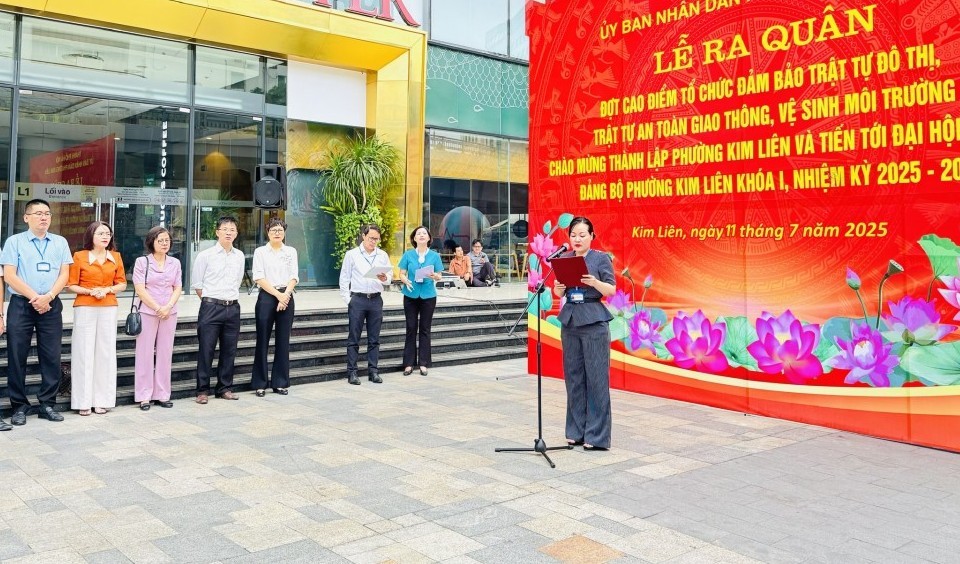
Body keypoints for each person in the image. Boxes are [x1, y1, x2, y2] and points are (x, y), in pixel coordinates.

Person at [1, 199, 72, 425]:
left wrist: (48, 297)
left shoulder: (60, 242)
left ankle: (47, 404)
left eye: (47, 213)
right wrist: (35, 298)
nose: (44, 217)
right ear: (26, 217)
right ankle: (19, 407)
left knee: (51, 356)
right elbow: (9, 276)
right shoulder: (14, 242)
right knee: (17, 355)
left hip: (51, 305)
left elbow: (64, 274)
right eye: (38, 213)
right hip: (22, 305)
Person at [552, 216, 616, 451]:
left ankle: (596, 436)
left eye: (582, 235)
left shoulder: (600, 258)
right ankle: (576, 431)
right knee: (574, 377)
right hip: (570, 320)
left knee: (597, 379)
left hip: (594, 321)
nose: (577, 239)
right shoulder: (564, 258)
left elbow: (611, 289)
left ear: (591, 236)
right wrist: (558, 289)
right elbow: (561, 292)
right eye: (573, 235)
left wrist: (594, 282)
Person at [67, 222, 127, 416]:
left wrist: (106, 290)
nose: (105, 236)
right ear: (91, 235)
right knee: (83, 352)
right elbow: (71, 284)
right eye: (100, 233)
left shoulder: (115, 257)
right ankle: (83, 401)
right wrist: (90, 291)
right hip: (85, 306)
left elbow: (122, 283)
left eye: (108, 233)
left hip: (108, 306)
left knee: (106, 352)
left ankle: (102, 400)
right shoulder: (79, 256)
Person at [191, 216, 245, 403]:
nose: (229, 232)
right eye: (225, 229)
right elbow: (197, 284)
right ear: (217, 232)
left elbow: (238, 281)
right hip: (211, 307)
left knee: (229, 350)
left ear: (236, 234)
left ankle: (224, 388)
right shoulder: (205, 255)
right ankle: (202, 391)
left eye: (232, 229)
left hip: (233, 307)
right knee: (206, 350)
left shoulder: (239, 256)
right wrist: (211, 302)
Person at [133, 226, 182, 411]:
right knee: (144, 354)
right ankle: (144, 396)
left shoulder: (175, 263)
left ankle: (162, 394)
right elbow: (140, 289)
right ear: (151, 242)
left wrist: (167, 307)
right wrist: (157, 307)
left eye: (167, 240)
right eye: (160, 240)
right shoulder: (142, 262)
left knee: (165, 353)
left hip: (169, 312)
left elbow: (178, 287)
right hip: (147, 311)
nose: (164, 243)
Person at [339, 223, 392, 385]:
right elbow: (344, 278)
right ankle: (352, 372)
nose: (373, 242)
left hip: (375, 299)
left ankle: (373, 371)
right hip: (358, 299)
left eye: (376, 239)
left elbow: (389, 278)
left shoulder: (382, 255)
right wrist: (349, 300)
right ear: (363, 236)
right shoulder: (352, 254)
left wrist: (385, 278)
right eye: (371, 238)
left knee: (374, 338)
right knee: (354, 338)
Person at [251, 218, 299, 397]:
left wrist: (285, 295)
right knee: (262, 340)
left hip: (287, 295)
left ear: (284, 232)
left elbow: (294, 276)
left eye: (280, 230)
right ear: (267, 232)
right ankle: (260, 383)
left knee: (283, 341)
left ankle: (280, 382)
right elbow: (258, 277)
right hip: (267, 296)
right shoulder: (260, 252)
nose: (277, 233)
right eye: (273, 230)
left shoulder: (291, 251)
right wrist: (278, 296)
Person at [398, 226, 444, 376]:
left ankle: (423, 363)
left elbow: (439, 275)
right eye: (418, 233)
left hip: (428, 296)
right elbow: (401, 273)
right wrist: (405, 280)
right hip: (410, 295)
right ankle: (408, 363)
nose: (422, 235)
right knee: (411, 328)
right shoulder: (408, 254)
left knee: (425, 329)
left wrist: (435, 276)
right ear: (414, 238)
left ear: (429, 238)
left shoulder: (435, 256)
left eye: (424, 233)